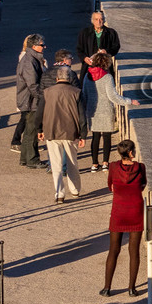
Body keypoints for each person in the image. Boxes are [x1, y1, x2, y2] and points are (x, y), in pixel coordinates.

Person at [100, 140, 146, 297]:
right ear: (131, 153)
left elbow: (110, 185)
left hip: (118, 211)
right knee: (134, 251)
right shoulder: (140, 168)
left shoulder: (112, 167)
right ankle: (132, 288)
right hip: (135, 211)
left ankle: (107, 287)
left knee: (113, 250)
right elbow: (143, 184)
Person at [39, 64, 86, 203]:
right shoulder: (76, 92)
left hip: (51, 131)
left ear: (57, 77)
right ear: (70, 77)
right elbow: (82, 116)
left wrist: (39, 130)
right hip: (71, 132)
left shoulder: (47, 92)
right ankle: (75, 189)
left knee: (56, 164)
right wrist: (83, 135)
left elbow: (39, 113)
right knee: (72, 162)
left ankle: (59, 193)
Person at [87, 52, 131, 173]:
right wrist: (129, 101)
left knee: (95, 137)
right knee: (106, 137)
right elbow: (113, 97)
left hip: (92, 110)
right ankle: (105, 163)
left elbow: (84, 95)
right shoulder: (107, 77)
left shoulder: (88, 76)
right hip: (106, 109)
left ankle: (94, 164)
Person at [14, 35, 48, 166]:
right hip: (31, 101)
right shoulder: (30, 62)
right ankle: (32, 160)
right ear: (34, 47)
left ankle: (25, 158)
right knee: (32, 131)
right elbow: (33, 85)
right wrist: (43, 98)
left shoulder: (30, 59)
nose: (44, 47)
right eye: (42, 44)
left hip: (29, 100)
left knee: (29, 131)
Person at [76, 10, 121, 74]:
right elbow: (79, 49)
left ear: (104, 20)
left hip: (105, 68)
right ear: (92, 21)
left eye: (101, 19)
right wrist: (84, 58)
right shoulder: (85, 33)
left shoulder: (111, 33)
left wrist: (106, 51)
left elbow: (116, 46)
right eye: (96, 19)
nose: (99, 22)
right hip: (89, 68)